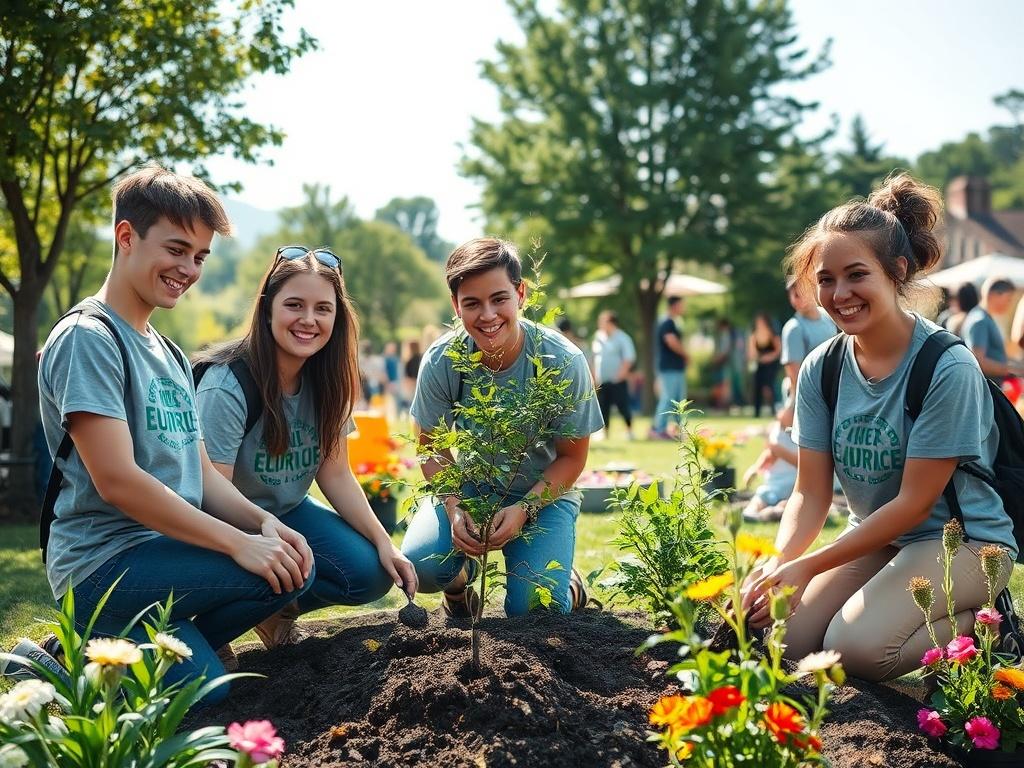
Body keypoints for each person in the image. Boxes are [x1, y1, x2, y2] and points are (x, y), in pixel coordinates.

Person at [31, 165, 315, 702]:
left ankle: (118, 648)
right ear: (126, 237)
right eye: (177, 249)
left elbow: (202, 473)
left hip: (159, 553)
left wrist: (265, 523)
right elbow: (117, 481)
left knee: (291, 566)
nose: (189, 269)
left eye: (200, 257)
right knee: (205, 696)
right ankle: (79, 656)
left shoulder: (170, 352)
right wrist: (239, 544)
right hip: (102, 563)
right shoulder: (88, 338)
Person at [741, 173, 1016, 682]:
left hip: (966, 542)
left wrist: (809, 568)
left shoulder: (945, 366)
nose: (839, 293)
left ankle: (989, 627)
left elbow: (914, 504)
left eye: (856, 274)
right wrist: (779, 564)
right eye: (825, 279)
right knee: (785, 639)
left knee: (852, 652)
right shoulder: (823, 367)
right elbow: (809, 491)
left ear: (897, 271)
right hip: (879, 540)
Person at [193, 245, 415, 659]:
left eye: (322, 309)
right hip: (224, 518)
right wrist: (263, 537)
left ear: (338, 316)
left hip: (289, 510)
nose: (309, 320)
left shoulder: (329, 380)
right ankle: (212, 629)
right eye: (294, 305)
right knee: (297, 566)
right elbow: (210, 492)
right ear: (267, 308)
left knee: (368, 573)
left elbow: (335, 474)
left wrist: (387, 543)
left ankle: (273, 614)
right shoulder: (228, 384)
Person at [401, 237, 603, 616]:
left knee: (534, 611)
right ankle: (459, 585)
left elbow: (572, 458)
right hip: (471, 487)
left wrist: (524, 508)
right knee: (424, 565)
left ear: (521, 293)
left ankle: (569, 586)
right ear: (455, 306)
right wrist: (454, 505)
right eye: (472, 303)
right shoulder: (442, 360)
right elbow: (430, 446)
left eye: (499, 299)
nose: (488, 315)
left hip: (542, 494)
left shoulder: (562, 361)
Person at [780, 277, 837, 397]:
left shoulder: (827, 315)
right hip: (811, 395)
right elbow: (794, 375)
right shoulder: (794, 329)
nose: (796, 299)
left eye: (800, 293)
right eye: (793, 295)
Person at [741, 401, 797, 523]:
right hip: (776, 483)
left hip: (794, 484)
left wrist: (776, 448)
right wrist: (755, 469)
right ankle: (752, 511)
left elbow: (799, 462)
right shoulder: (779, 434)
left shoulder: (802, 438)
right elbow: (770, 456)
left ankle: (774, 511)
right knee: (762, 495)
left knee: (790, 502)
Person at [961, 277, 1024, 380]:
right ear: (994, 295)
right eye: (1008, 299)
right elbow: (978, 362)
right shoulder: (980, 320)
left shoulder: (983, 317)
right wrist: (1015, 370)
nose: (1009, 304)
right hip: (986, 388)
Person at [592, 310, 636, 440]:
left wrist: (620, 375)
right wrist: (594, 375)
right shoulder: (598, 336)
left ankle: (629, 431)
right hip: (602, 381)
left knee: (623, 406)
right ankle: (604, 433)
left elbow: (629, 358)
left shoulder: (623, 338)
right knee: (602, 408)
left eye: (603, 321)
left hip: (618, 380)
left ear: (611, 323)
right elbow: (594, 357)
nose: (600, 324)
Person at [651, 296, 688, 439]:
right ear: (674, 305)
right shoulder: (667, 322)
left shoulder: (673, 322)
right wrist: (686, 354)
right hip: (669, 368)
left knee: (679, 401)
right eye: (681, 305)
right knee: (668, 398)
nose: (683, 308)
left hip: (676, 367)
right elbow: (671, 341)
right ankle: (658, 428)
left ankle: (680, 430)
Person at [748, 312, 782, 418]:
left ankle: (773, 410)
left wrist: (768, 357)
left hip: (771, 364)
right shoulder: (754, 335)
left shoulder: (773, 334)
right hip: (760, 364)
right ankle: (756, 412)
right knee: (757, 386)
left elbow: (778, 350)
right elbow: (752, 352)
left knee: (769, 387)